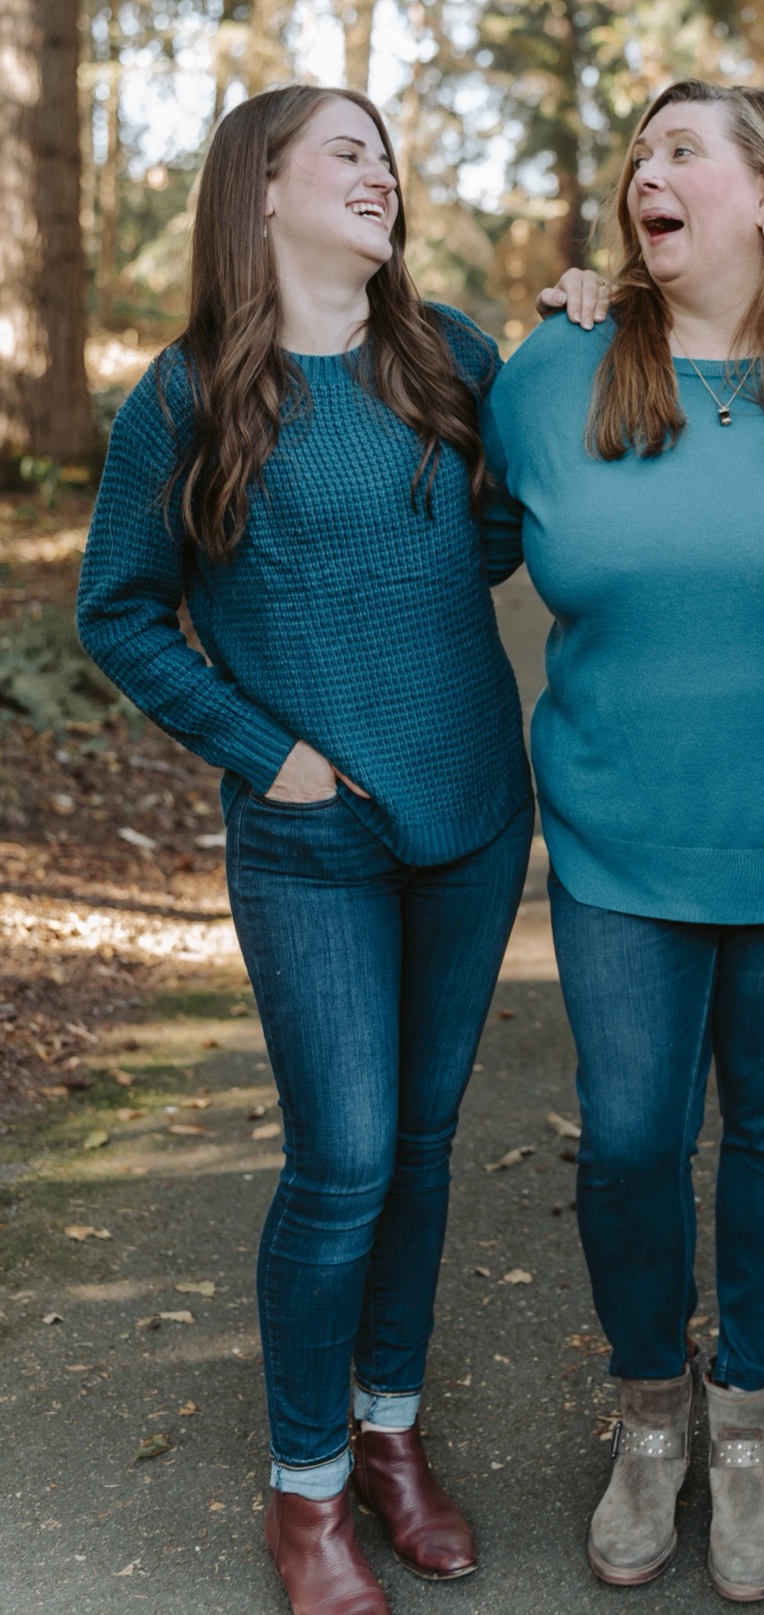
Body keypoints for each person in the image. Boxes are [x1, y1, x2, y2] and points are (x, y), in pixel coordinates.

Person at [77, 86, 533, 1615]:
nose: (381, 169)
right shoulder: (190, 392)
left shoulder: (451, 353)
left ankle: (390, 1434)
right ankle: (307, 1490)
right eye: (344, 148)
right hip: (309, 841)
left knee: (419, 1145)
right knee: (340, 1167)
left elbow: (499, 534)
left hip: (470, 817)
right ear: (258, 189)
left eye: (389, 149)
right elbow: (121, 610)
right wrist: (270, 755)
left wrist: (592, 308)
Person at [481, 79, 764, 1602]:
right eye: (635, 153)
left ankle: (751, 1422)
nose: (641, 172)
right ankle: (649, 1416)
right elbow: (437, 535)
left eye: (681, 150)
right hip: (617, 847)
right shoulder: (551, 370)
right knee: (626, 1142)